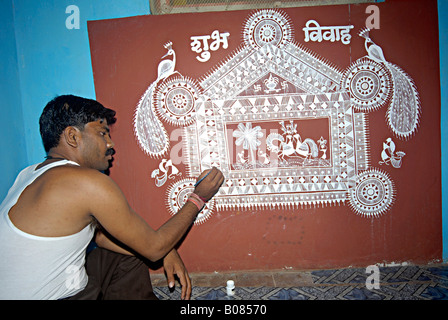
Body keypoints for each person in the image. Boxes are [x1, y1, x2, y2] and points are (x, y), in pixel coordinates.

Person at [0, 94, 224, 300]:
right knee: (144, 250)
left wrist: (164, 248)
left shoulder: (29, 174)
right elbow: (153, 249)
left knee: (126, 254)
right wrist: (198, 198)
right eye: (102, 133)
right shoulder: (86, 182)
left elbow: (98, 236)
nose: (110, 143)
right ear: (72, 136)